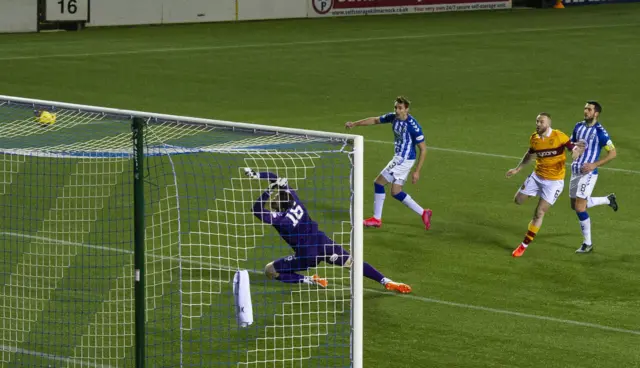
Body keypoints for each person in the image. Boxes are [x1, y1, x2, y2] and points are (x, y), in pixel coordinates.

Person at [245, 168, 411, 294]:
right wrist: (261, 176)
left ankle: (309, 280)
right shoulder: (296, 202)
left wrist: (268, 189)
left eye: (275, 198)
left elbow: (256, 209)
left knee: (270, 270)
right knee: (352, 263)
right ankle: (385, 280)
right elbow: (276, 177)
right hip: (322, 242)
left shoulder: (279, 220)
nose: (274, 198)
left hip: (307, 255)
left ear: (279, 206)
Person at [345, 96, 432, 230]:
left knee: (378, 182)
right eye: (396, 107)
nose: (397, 110)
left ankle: (376, 219)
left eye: (400, 108)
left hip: (403, 159)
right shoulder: (393, 118)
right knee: (396, 192)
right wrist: (355, 124)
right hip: (400, 158)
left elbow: (423, 149)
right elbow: (374, 120)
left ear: (407, 109)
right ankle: (423, 212)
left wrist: (417, 171)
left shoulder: (414, 127)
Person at [506, 113, 582, 257]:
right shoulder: (534, 138)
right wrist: (517, 169)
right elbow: (530, 155)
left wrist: (575, 153)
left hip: (554, 182)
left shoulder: (559, 136)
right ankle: (536, 200)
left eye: (541, 122)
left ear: (548, 123)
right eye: (537, 121)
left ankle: (523, 245)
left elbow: (573, 148)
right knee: (518, 200)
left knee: (539, 212)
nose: (538, 124)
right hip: (537, 177)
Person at [569, 101, 618, 254]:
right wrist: (574, 150)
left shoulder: (600, 132)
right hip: (575, 170)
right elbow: (572, 143)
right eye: (585, 108)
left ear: (596, 113)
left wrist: (595, 164)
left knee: (579, 207)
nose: (586, 111)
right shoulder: (578, 126)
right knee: (575, 205)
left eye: (589, 109)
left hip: (588, 173)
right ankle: (607, 199)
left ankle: (587, 243)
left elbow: (613, 153)